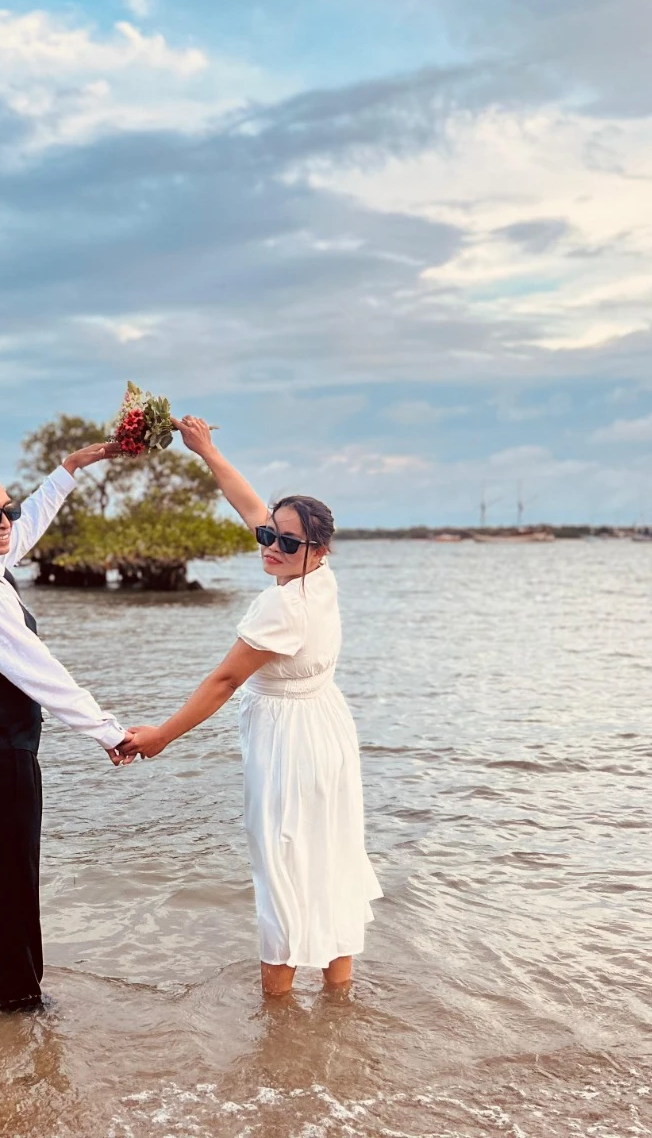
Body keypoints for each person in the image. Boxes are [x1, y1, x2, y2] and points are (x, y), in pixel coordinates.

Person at [120, 416, 383, 996]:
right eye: (270, 535)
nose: (271, 547)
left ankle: (278, 1016)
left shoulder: (281, 607)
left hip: (292, 742)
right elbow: (250, 507)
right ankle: (338, 999)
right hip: (326, 728)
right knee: (328, 855)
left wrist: (161, 735)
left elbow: (224, 681)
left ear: (318, 548)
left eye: (287, 542)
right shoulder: (319, 577)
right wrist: (207, 451)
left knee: (283, 864)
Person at [0, 444, 133, 1011]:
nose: (4, 522)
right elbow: (44, 675)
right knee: (7, 886)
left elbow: (26, 525)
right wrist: (108, 732)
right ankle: (18, 1007)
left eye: (6, 509)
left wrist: (70, 469)